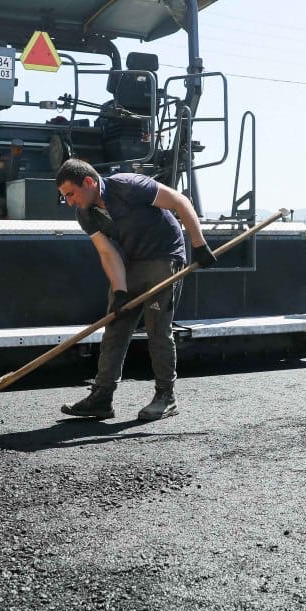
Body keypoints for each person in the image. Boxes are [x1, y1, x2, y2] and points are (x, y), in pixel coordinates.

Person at [55, 159, 217, 421]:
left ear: (88, 182)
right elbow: (107, 252)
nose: (70, 202)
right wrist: (119, 290)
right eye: (65, 197)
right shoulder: (84, 213)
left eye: (71, 194)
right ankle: (102, 397)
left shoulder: (129, 186)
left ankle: (166, 396)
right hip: (131, 261)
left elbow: (179, 202)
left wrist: (198, 243)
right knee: (115, 327)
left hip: (164, 255)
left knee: (157, 329)